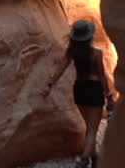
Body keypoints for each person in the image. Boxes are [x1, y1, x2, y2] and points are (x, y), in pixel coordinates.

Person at [43, 19, 115, 167]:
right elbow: (102, 76)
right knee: (93, 129)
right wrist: (109, 95)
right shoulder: (97, 54)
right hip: (94, 90)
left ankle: (94, 158)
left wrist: (49, 85)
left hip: (80, 90)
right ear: (90, 37)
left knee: (89, 127)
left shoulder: (72, 52)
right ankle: (83, 160)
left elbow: (60, 68)